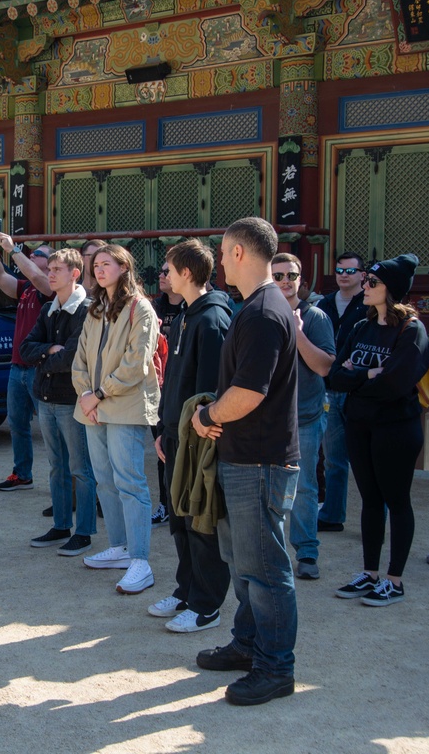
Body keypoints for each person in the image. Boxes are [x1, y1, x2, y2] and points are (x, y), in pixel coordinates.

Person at [190, 217, 300, 706]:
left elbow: (250, 392)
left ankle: (276, 667)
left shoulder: (260, 312)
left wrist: (207, 414)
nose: (218, 259)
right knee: (245, 563)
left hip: (261, 459)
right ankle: (248, 643)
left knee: (266, 568)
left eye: (222, 250)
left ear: (237, 252)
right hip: (247, 456)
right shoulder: (258, 305)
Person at [329, 254, 429, 607]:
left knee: (397, 500)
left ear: (392, 290)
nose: (365, 286)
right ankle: (370, 572)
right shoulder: (361, 326)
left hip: (396, 428)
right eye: (366, 280)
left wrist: (358, 376)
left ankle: (395, 579)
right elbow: (335, 377)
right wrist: (366, 375)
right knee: (370, 500)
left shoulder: (412, 330)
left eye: (372, 282)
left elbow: (396, 383)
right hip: (359, 424)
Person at [151, 239, 232, 633]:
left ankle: (207, 604)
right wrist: (164, 431)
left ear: (186, 273)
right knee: (179, 521)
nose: (163, 275)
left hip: (198, 441)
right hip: (175, 435)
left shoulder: (212, 319)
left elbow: (210, 391)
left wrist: (194, 437)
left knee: (201, 523)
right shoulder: (186, 314)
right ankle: (186, 590)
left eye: (168, 268)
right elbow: (174, 384)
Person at [73, 244, 160, 595]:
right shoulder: (95, 309)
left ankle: (141, 559)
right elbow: (79, 356)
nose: (99, 271)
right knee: (104, 479)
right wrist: (85, 394)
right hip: (93, 407)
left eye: (106, 264)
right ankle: (120, 546)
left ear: (124, 267)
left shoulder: (141, 308)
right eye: (96, 266)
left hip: (122, 406)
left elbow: (137, 362)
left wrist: (100, 393)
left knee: (130, 481)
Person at [19, 248, 95, 556]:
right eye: (48, 269)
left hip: (71, 400)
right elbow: (25, 348)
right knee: (56, 466)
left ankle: (85, 531)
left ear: (74, 274)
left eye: (57, 269)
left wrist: (43, 356)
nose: (49, 274)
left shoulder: (86, 309)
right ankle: (62, 525)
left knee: (80, 468)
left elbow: (74, 358)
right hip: (46, 398)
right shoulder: (49, 307)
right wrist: (50, 349)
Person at [270, 253, 335, 579]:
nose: (285, 282)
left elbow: (324, 366)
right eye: (278, 276)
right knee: (271, 489)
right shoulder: (263, 314)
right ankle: (273, 554)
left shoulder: (316, 317)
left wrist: (297, 332)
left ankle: (307, 553)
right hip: (269, 419)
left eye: (290, 276)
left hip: (305, 417)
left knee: (305, 488)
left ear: (301, 279)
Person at [0, 231, 52, 492]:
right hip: (17, 366)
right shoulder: (26, 289)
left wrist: (13, 251)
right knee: (17, 424)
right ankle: (22, 473)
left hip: (40, 368)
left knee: (50, 430)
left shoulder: (49, 288)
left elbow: (36, 275)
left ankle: (64, 482)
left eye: (39, 254)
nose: (32, 255)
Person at [316, 251, 368, 533]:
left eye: (350, 271)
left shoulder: (370, 304)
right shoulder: (324, 304)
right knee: (334, 459)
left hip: (359, 390)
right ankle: (333, 515)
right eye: (339, 270)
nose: (343, 276)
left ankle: (374, 521)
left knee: (367, 462)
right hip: (329, 388)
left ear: (363, 274)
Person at [150, 260, 184, 526]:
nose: (161, 276)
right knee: (162, 449)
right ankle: (165, 503)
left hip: (183, 386)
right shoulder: (154, 307)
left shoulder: (193, 307)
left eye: (166, 272)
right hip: (159, 388)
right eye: (161, 272)